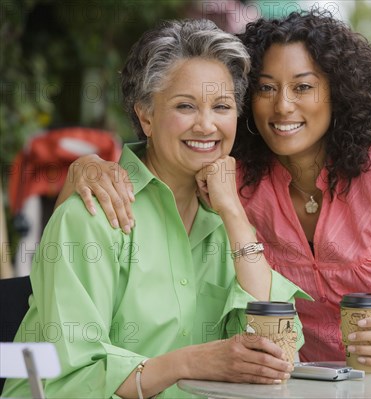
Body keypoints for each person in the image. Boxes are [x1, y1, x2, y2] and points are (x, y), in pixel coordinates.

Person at [56, 10, 371, 370]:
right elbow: (83, 221)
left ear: (337, 94)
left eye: (303, 87)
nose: (283, 105)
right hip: (318, 387)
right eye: (266, 88)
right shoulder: (236, 182)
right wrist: (85, 166)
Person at [2, 19, 309, 399]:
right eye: (185, 106)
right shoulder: (94, 216)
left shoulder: (227, 221)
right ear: (146, 116)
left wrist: (233, 213)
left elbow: (280, 349)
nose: (207, 124)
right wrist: (187, 364)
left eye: (222, 107)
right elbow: (68, 380)